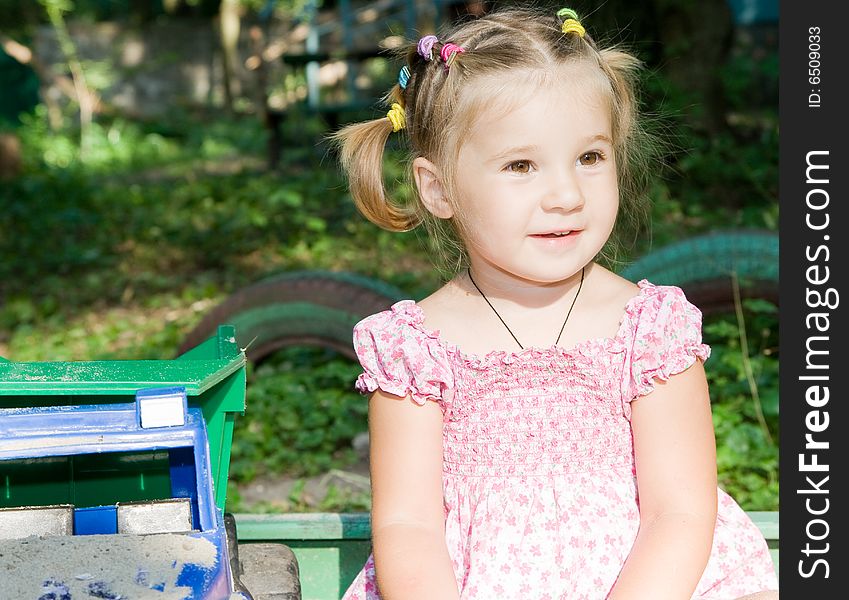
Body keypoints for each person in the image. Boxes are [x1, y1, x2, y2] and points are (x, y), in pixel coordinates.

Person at [331, 7, 779, 599]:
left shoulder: (648, 331)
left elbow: (681, 512)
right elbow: (407, 526)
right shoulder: (416, 352)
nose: (567, 195)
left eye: (590, 158)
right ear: (437, 188)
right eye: (521, 165)